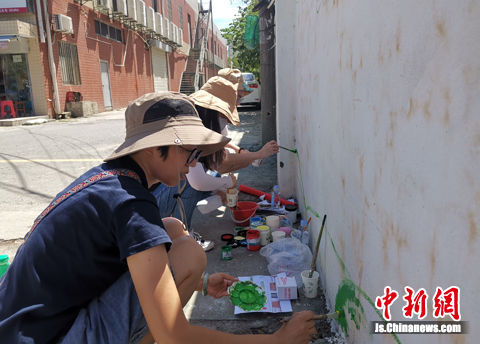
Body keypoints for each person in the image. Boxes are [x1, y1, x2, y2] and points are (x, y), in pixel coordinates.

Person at [0, 92, 316, 344]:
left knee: (172, 228)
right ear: (153, 148)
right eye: (189, 154)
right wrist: (276, 340)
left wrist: (202, 285)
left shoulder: (109, 181)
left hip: (26, 326)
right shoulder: (129, 203)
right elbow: (174, 335)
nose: (193, 164)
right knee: (189, 253)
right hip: (53, 336)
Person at [152, 77, 278, 246]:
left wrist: (220, 189)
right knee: (187, 180)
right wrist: (226, 182)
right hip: (154, 202)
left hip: (162, 193)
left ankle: (178, 231)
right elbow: (198, 181)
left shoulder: (208, 122)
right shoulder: (193, 129)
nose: (238, 104)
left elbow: (215, 161)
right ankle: (183, 236)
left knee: (208, 176)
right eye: (237, 99)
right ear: (212, 110)